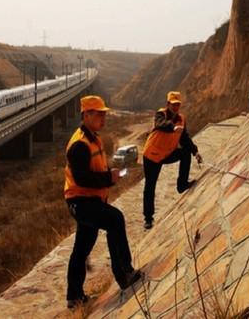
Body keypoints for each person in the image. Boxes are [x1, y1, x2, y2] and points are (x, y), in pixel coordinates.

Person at [64, 95, 141, 309]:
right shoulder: (79, 144)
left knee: (82, 247)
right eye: (99, 114)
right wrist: (109, 178)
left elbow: (93, 171)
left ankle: (74, 297)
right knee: (115, 219)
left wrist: (109, 174)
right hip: (80, 201)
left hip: (88, 200)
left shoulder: (93, 138)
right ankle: (124, 273)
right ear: (86, 115)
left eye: (104, 114)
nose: (103, 118)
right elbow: (82, 178)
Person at [142, 91, 203, 229]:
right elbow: (161, 124)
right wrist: (173, 127)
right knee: (150, 186)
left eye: (177, 105)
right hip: (152, 155)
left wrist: (195, 152)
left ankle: (182, 184)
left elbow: (185, 138)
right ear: (168, 104)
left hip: (166, 154)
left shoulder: (181, 118)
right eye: (173, 104)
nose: (175, 107)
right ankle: (148, 218)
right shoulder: (161, 114)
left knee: (185, 152)